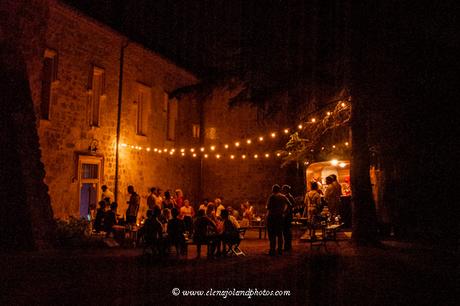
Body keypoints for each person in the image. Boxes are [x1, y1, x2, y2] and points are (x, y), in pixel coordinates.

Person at [266, 184, 289, 256]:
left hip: (272, 217)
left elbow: (268, 207)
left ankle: (272, 250)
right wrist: (284, 211)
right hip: (280, 217)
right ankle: (279, 250)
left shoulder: (272, 196)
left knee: (272, 234)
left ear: (273, 190)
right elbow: (290, 204)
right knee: (279, 234)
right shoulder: (283, 197)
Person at [281, 185, 296, 251]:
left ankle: (287, 246)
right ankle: (287, 245)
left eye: (283, 189)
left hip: (287, 216)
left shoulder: (287, 197)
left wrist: (285, 211)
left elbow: (291, 205)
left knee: (286, 231)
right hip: (288, 215)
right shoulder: (290, 196)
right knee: (287, 231)